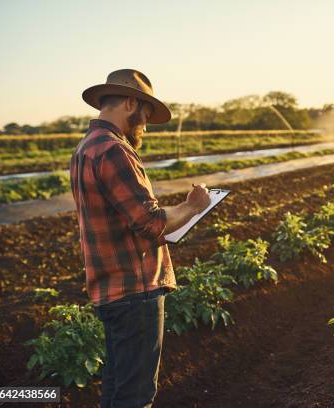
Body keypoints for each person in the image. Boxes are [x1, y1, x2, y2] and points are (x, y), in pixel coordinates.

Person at [71, 69, 211, 408]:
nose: (145, 125)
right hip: (136, 289)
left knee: (118, 390)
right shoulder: (114, 150)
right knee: (136, 396)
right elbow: (150, 222)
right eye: (145, 115)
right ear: (131, 103)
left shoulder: (85, 148)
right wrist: (192, 206)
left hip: (111, 289)